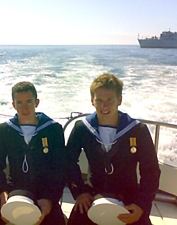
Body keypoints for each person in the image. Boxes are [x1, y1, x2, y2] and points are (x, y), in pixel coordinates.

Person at [66, 73, 161, 225]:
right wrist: (80, 193)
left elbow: (151, 171)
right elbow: (68, 162)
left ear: (120, 100)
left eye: (110, 100)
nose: (104, 106)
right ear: (92, 101)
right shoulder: (82, 128)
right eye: (99, 101)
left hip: (129, 198)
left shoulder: (137, 130)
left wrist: (141, 205)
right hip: (91, 196)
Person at [0, 81, 66, 225]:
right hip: (14, 189)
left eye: (29, 102)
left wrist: (49, 199)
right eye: (19, 102)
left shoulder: (53, 129)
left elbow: (60, 169)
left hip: (43, 192)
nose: (24, 107)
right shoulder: (5, 129)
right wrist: (2, 193)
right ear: (13, 105)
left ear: (37, 102)